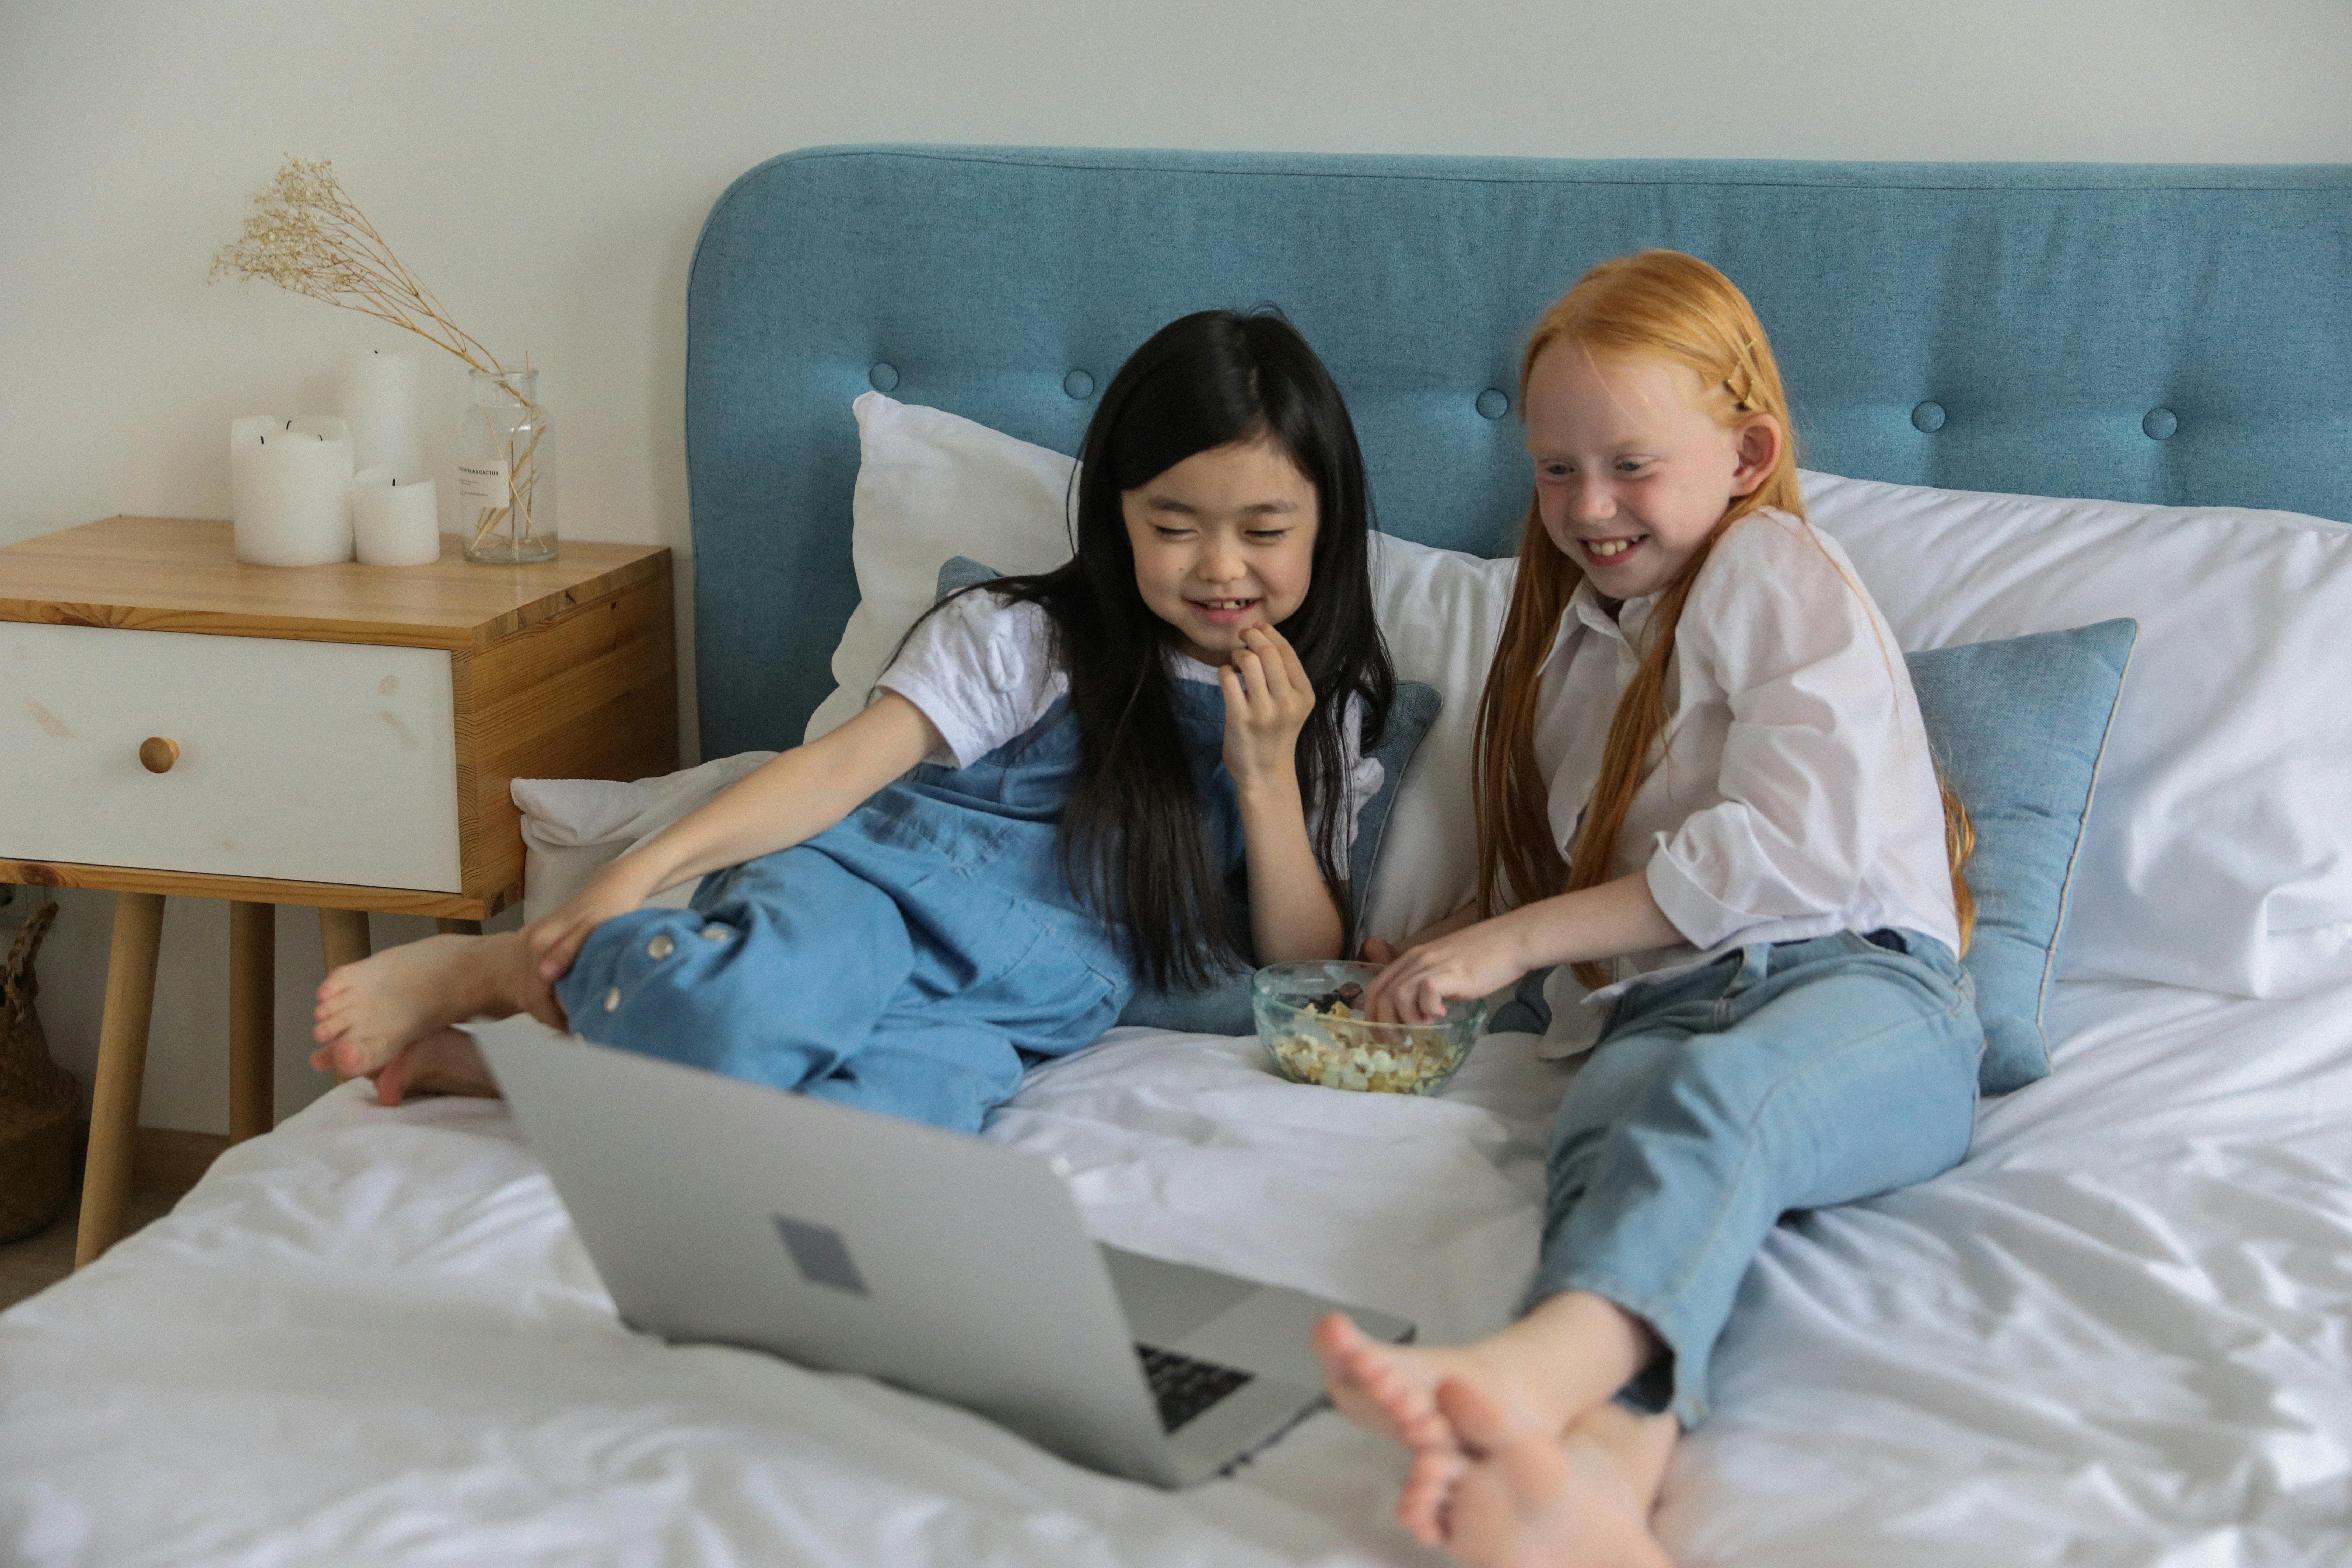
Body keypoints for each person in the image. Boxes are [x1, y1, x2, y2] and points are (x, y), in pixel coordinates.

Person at [311, 308, 1395, 1133]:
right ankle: (506, 974)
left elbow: (1302, 963)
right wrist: (624, 879)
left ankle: (506, 1070)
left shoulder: (1319, 707)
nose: (1221, 569)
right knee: (742, 1022)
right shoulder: (1031, 638)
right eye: (1175, 525)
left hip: (1011, 1010)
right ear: (1119, 517)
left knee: (867, 1143)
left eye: (1264, 530)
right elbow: (833, 773)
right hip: (872, 900)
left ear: (1324, 526)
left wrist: (1265, 775)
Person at [1312, 251, 1982, 1567]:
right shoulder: (1578, 651)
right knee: (1611, 1154)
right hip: (1654, 1008)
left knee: (1710, 1107)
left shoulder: (1769, 564)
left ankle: (1517, 1375)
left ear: (1746, 452)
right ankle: (1601, 1484)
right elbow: (1596, 884)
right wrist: (1458, 940)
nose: (1588, 505)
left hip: (1859, 990)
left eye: (1629, 463)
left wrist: (1515, 941)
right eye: (1557, 469)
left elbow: (1788, 847)